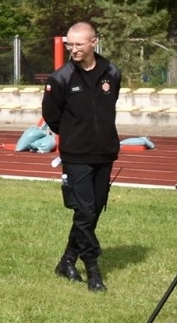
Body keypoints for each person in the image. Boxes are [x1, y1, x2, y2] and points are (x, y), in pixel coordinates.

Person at [43, 21, 121, 293]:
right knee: (84, 210)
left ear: (93, 43)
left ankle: (66, 262)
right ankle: (93, 270)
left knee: (92, 213)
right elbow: (52, 118)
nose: (73, 49)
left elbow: (111, 104)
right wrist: (75, 136)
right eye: (69, 44)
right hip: (76, 155)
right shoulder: (61, 78)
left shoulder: (111, 72)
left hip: (105, 153)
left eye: (78, 44)